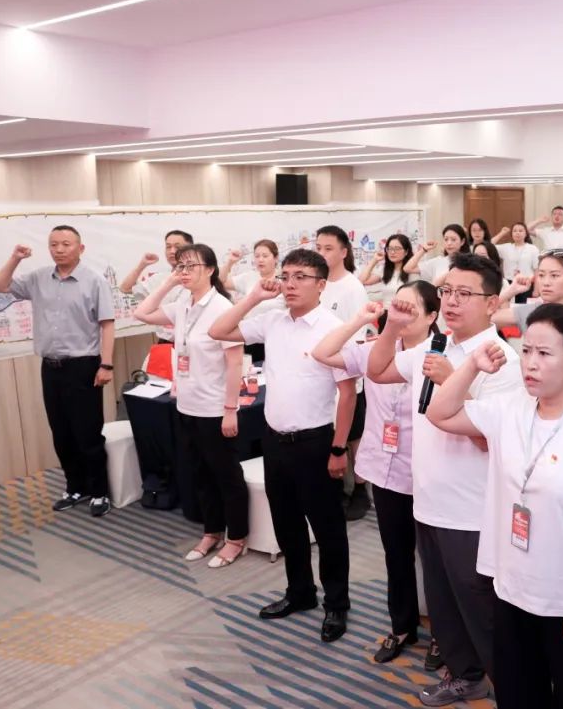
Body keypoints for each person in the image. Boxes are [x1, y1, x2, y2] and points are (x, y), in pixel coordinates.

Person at [427, 304, 563, 709]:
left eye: (544, 353)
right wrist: (471, 366)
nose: (531, 364)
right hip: (511, 586)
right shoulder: (512, 407)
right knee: (518, 691)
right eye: (526, 351)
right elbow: (439, 413)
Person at [368, 253, 523, 706]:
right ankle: (466, 676)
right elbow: (377, 371)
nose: (451, 301)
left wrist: (456, 378)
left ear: (492, 303)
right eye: (447, 291)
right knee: (443, 604)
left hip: (472, 510)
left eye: (464, 294)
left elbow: (489, 441)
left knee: (482, 609)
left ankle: (518, 689)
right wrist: (393, 328)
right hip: (428, 499)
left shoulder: (503, 361)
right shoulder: (433, 346)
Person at [208, 248, 356, 643]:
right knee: (286, 524)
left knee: (327, 529)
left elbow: (348, 395)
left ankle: (337, 603)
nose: (289, 284)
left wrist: (338, 449)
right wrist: (254, 296)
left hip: (316, 442)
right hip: (275, 441)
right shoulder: (273, 320)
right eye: (286, 276)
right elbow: (219, 331)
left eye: (300, 277)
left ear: (321, 285)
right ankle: (300, 592)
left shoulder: (334, 327)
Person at [313, 281, 441, 663]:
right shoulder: (378, 348)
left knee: (435, 561)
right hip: (385, 471)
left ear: (432, 316)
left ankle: (443, 635)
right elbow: (323, 352)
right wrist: (361, 320)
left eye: (411, 309)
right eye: (398, 306)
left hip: (428, 472)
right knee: (396, 554)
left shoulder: (442, 356)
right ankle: (402, 626)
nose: (402, 314)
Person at [133, 243, 249, 567]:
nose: (183, 273)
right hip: (186, 405)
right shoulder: (184, 303)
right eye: (180, 267)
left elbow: (235, 363)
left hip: (214, 408)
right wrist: (168, 283)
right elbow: (142, 313)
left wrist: (230, 410)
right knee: (200, 475)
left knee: (226, 476)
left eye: (190, 267)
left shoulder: (222, 308)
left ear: (210, 270)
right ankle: (212, 531)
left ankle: (236, 537)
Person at [0, 227, 116, 517]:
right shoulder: (38, 278)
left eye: (66, 244)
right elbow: (0, 286)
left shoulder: (94, 281)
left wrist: (106, 364)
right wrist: (15, 258)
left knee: (87, 432)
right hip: (50, 367)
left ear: (80, 248)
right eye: (53, 244)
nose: (59, 249)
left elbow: (107, 324)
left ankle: (99, 491)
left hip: (83, 366)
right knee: (61, 431)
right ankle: (75, 486)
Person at [315, 225, 373, 521]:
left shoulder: (353, 287)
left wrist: (342, 365)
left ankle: (361, 488)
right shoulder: (318, 283)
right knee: (330, 433)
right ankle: (337, 487)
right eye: (318, 248)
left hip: (346, 372)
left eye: (328, 248)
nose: (322, 253)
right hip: (318, 373)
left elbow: (358, 336)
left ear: (343, 252)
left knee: (353, 436)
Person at [493, 250, 563, 338]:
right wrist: (511, 290)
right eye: (541, 275)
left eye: (554, 275)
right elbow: (487, 316)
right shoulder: (530, 311)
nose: (546, 282)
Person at [120, 230, 194, 343]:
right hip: (166, 342)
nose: (172, 251)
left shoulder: (200, 277)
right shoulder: (159, 278)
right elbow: (125, 288)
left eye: (177, 247)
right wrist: (142, 265)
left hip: (193, 342)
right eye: (168, 247)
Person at [222, 238, 282, 362]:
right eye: (257, 256)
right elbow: (221, 282)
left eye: (265, 256)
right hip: (251, 340)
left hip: (278, 339)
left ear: (276, 258)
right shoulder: (249, 277)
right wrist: (230, 262)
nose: (260, 259)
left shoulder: (284, 279)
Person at [359, 233, 414, 307]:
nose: (392, 252)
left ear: (406, 251)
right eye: (390, 248)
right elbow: (362, 280)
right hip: (386, 312)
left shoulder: (413, 271)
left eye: (397, 248)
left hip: (405, 312)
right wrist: (374, 260)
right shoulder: (384, 270)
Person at [406, 224, 471, 284]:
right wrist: (424, 250)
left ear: (462, 241)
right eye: (446, 239)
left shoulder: (470, 263)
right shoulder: (438, 261)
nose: (449, 243)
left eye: (453, 240)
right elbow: (408, 268)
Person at [495, 222, 539, 303]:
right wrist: (502, 233)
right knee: (508, 308)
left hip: (526, 284)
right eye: (515, 231)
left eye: (520, 231)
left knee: (524, 308)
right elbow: (489, 245)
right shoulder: (506, 247)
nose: (517, 233)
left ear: (526, 233)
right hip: (509, 284)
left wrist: (536, 290)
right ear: (511, 234)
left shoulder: (532, 249)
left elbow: (537, 270)